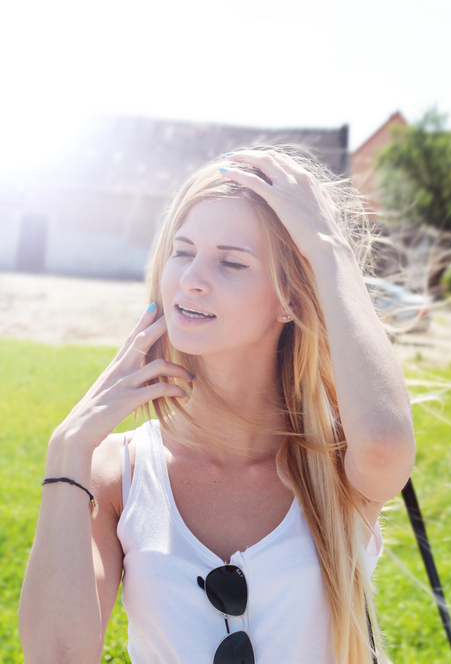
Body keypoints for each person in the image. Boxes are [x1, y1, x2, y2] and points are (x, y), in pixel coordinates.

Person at [19, 146, 415, 664]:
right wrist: (68, 450)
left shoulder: (336, 461)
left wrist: (329, 248)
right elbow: (56, 656)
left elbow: (386, 443)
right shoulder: (118, 473)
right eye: (182, 252)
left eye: (231, 262)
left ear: (291, 298)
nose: (191, 279)